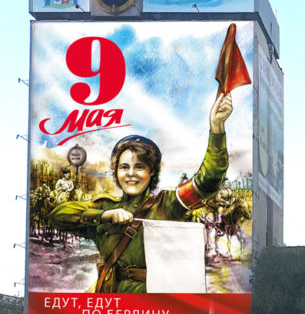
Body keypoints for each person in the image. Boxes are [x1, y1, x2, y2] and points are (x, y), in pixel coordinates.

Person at [50, 90, 233, 293]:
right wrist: (104, 216)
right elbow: (58, 216)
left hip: (154, 303)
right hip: (111, 303)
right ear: (116, 172)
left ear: (151, 172)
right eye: (124, 167)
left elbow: (208, 180)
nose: (131, 174)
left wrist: (217, 129)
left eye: (139, 167)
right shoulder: (104, 206)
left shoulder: (168, 204)